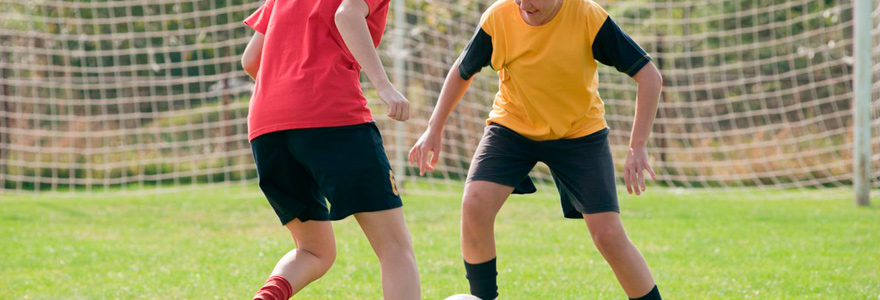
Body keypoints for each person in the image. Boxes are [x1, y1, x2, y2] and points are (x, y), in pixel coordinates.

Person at [409, 0, 664, 299]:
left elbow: (649, 76)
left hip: (579, 134)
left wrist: (637, 146)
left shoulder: (587, 16)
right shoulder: (498, 17)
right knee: (474, 204)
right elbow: (462, 70)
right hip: (512, 128)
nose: (523, 3)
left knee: (608, 235)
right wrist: (434, 127)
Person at [240, 0, 420, 299]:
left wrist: (290, 94)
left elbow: (250, 60)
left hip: (267, 126)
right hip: (331, 117)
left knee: (314, 251)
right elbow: (346, 14)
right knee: (395, 249)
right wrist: (384, 86)